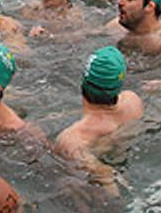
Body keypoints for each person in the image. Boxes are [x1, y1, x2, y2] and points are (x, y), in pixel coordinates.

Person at [54, 47, 143, 195]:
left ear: (84, 81)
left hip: (103, 183)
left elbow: (104, 180)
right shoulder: (133, 101)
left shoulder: (70, 140)